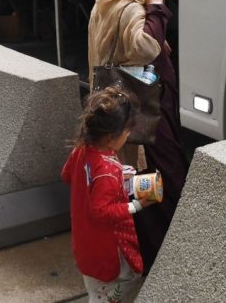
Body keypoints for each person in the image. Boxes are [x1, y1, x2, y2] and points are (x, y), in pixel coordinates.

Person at [88, 0, 188, 272]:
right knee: (162, 177)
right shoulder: (130, 7)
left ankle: (145, 248)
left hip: (124, 107)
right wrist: (156, 7)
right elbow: (145, 47)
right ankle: (164, 254)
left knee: (139, 178)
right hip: (144, 108)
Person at [62, 87, 155, 303]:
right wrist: (137, 205)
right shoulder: (107, 170)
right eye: (127, 132)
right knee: (121, 284)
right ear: (112, 136)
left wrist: (117, 176)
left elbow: (67, 175)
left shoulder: (81, 150)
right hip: (107, 248)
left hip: (85, 242)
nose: (128, 135)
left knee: (95, 289)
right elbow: (100, 211)